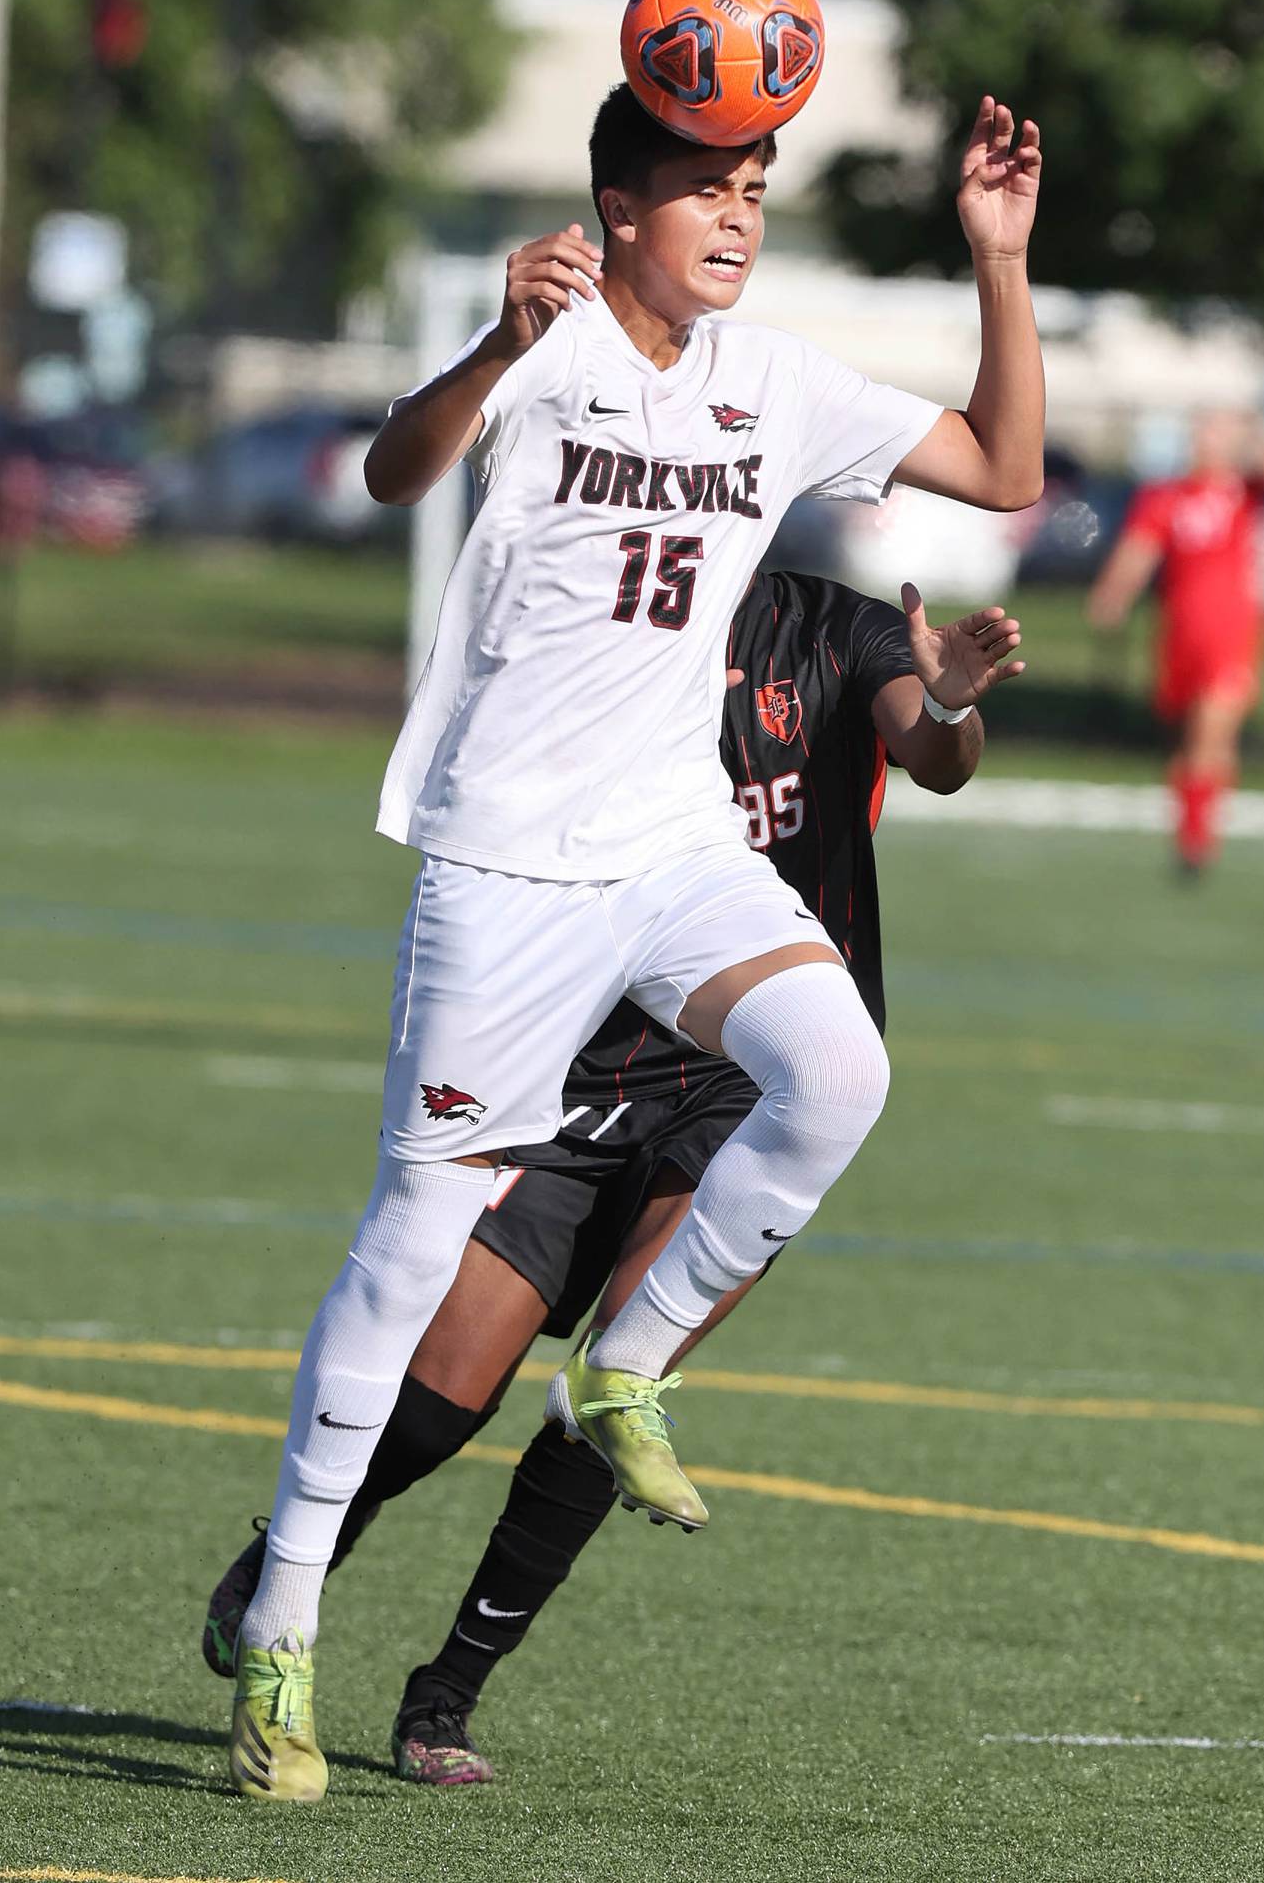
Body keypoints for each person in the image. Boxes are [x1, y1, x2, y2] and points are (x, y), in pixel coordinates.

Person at [228, 80, 1043, 1804]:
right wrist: (484, 344)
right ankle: (286, 1620)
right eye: (703, 186)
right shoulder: (549, 336)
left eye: (754, 184)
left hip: (672, 842)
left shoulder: (777, 379)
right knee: (413, 1234)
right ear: (618, 206)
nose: (738, 214)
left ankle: (623, 1362)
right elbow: (394, 471)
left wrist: (997, 258)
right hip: (508, 863)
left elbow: (1006, 467)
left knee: (838, 1066)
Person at [205, 564, 1025, 1785]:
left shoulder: (830, 623)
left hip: (745, 1062)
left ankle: (445, 1697)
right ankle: (296, 1557)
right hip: (583, 1047)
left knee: (608, 1390)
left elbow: (929, 749)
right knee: (442, 1397)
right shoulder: (604, 614)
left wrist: (951, 703)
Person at [1087, 411, 1264, 874]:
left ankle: (1198, 841)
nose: (1206, 445)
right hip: (1181, 634)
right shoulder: (1165, 497)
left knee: (1214, 727)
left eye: (1215, 435)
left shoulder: (1244, 493)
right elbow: (1138, 550)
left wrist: (1256, 426)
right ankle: (1193, 828)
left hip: (1232, 631)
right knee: (1193, 741)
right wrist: (1113, 594)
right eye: (1201, 435)